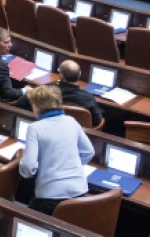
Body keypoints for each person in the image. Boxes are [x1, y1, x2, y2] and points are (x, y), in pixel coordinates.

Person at [19, 86, 95, 216]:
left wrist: (30, 172)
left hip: (49, 198)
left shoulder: (35, 128)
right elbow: (89, 151)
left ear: (37, 105)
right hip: (79, 193)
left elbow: (28, 166)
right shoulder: (71, 121)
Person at [16, 60, 103, 128]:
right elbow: (97, 121)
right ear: (79, 75)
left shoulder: (46, 90)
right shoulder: (88, 98)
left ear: (61, 76)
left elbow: (21, 102)